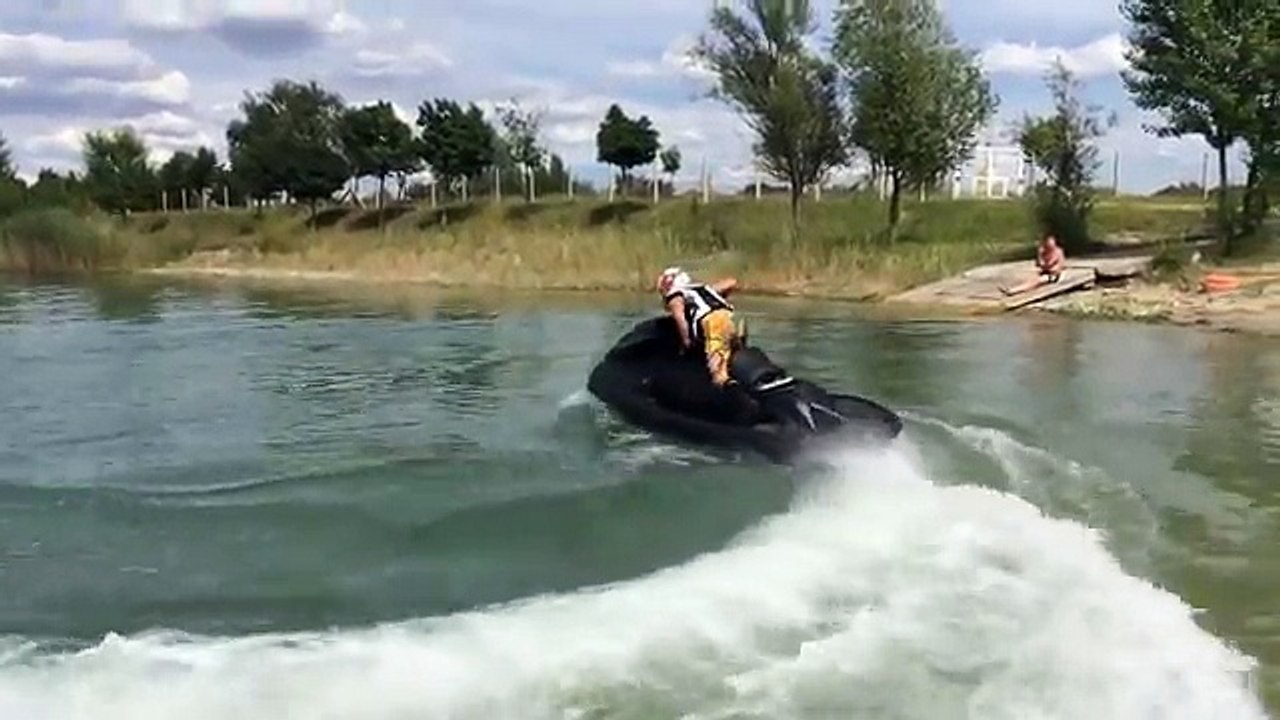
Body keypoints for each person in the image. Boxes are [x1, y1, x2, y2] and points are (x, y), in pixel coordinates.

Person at [656, 266, 744, 387]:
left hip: (715, 323)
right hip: (732, 318)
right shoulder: (703, 289)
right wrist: (720, 294)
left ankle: (726, 386)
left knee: (716, 366)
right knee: (729, 349)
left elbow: (681, 320)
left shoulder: (675, 296)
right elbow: (732, 282)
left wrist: (687, 342)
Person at [1000, 234, 1066, 296]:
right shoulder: (1044, 251)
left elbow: (1050, 265)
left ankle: (1012, 291)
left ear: (1054, 242)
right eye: (1047, 242)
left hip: (1054, 276)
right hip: (1045, 272)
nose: (1048, 244)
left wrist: (1044, 265)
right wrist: (1039, 255)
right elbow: (1039, 264)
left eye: (1050, 242)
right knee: (1028, 277)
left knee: (1036, 281)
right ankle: (1012, 289)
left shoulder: (1058, 251)